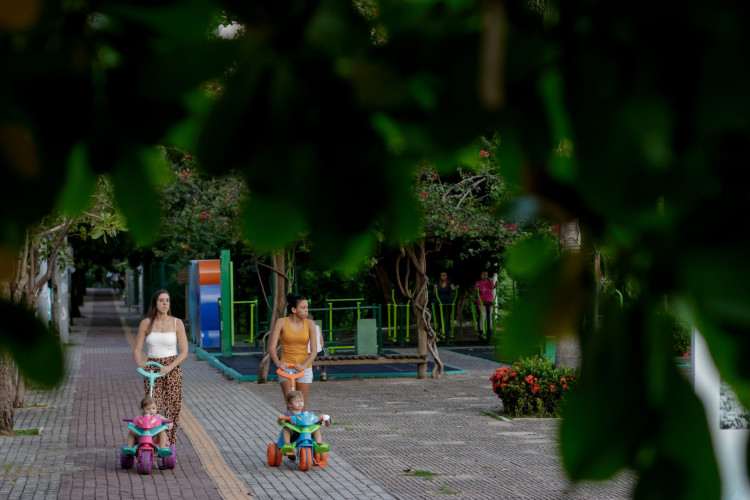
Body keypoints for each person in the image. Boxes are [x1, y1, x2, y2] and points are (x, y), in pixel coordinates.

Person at [133, 289, 188, 446]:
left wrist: (169, 367)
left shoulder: (177, 323)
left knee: (173, 408)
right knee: (152, 408)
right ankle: (151, 442)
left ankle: (169, 445)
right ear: (155, 303)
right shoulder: (146, 323)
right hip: (152, 368)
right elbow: (137, 349)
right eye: (161, 300)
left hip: (172, 368)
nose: (165, 303)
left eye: (167, 300)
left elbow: (184, 352)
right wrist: (140, 362)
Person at [268, 293, 318, 409]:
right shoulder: (281, 322)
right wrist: (279, 363)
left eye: (307, 308)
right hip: (287, 368)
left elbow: (314, 350)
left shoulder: (310, 324)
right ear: (294, 309)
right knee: (291, 406)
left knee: (301, 406)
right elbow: (272, 347)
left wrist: (304, 366)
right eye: (303, 308)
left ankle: (299, 426)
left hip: (304, 368)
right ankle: (289, 427)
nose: (307, 311)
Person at [277, 390, 330, 456]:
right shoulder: (288, 413)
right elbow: (281, 422)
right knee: (286, 428)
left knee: (316, 429)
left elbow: (313, 419)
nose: (300, 403)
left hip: (306, 432)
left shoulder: (306, 412)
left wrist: (320, 417)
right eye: (297, 402)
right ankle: (287, 444)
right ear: (290, 404)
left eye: (301, 401)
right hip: (294, 433)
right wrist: (281, 418)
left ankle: (318, 444)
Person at [475, 271, 496, 338]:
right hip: (481, 302)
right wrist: (477, 287)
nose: (485, 276)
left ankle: (489, 331)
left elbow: (492, 287)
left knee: (489, 317)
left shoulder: (490, 282)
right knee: (483, 316)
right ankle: (481, 331)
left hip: (490, 302)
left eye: (486, 275)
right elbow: (476, 289)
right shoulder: (478, 282)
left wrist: (495, 285)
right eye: (484, 275)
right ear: (481, 276)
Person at [308, 313, 327, 381]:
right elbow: (321, 341)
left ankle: (309, 374)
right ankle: (323, 373)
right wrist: (320, 347)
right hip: (318, 352)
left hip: (307, 353)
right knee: (324, 353)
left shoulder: (301, 328)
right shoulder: (317, 327)